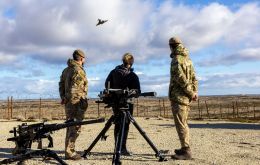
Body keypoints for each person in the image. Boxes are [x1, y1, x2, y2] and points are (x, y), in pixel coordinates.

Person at [105, 53, 140, 156]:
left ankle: (117, 147)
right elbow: (137, 91)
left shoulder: (113, 72)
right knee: (125, 124)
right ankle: (122, 148)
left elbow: (107, 84)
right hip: (127, 104)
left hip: (115, 103)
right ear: (131, 63)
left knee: (118, 124)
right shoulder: (132, 75)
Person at [168, 37, 198, 160]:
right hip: (186, 98)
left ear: (171, 46)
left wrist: (191, 93)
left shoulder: (176, 60)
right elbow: (194, 78)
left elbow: (181, 79)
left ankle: (186, 150)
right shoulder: (188, 60)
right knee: (183, 123)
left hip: (179, 97)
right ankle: (184, 147)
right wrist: (194, 92)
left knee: (181, 124)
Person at [59, 49, 88, 160]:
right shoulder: (78, 70)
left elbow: (61, 84)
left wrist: (63, 98)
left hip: (68, 102)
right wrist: (80, 102)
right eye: (84, 59)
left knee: (70, 126)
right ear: (81, 58)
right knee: (75, 127)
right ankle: (70, 152)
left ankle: (69, 150)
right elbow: (75, 89)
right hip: (75, 103)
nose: (84, 60)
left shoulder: (66, 70)